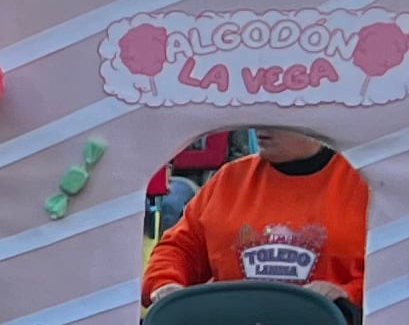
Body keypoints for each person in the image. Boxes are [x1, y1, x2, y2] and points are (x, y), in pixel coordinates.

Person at [140, 124, 369, 313]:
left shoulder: (366, 184)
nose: (259, 124)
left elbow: (395, 269)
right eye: (257, 114)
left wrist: (348, 294)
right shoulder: (229, 180)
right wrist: (165, 285)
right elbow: (178, 249)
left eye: (275, 116)